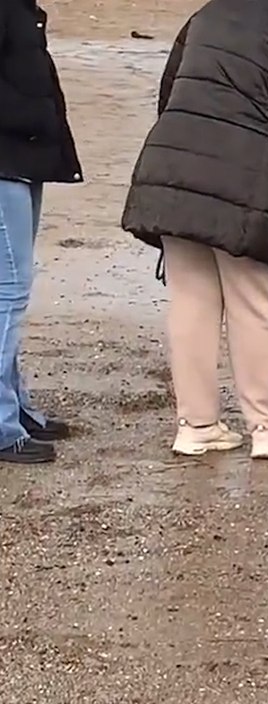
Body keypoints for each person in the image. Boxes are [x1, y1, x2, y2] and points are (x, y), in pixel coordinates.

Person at [121, 0, 268, 460]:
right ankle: (265, 430)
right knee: (254, 305)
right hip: (249, 184)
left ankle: (196, 425)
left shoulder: (209, 13)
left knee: (191, 302)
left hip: (175, 172)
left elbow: (170, 95)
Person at [0, 0, 84, 465]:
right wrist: (33, 119)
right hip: (7, 161)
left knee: (8, 291)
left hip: (22, 159)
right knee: (8, 292)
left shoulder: (22, 8)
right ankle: (2, 422)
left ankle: (15, 409)